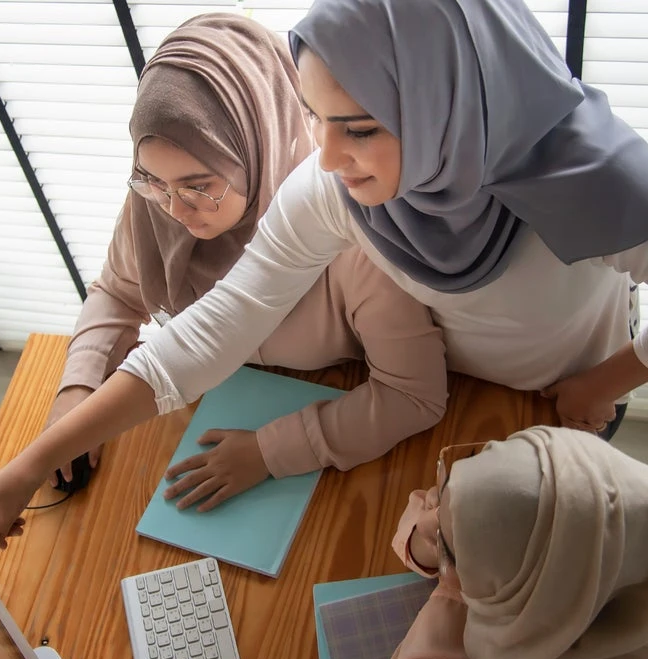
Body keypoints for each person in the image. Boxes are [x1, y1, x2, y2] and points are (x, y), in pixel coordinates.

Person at [0, 0, 648, 553]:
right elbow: (213, 330)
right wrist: (31, 462)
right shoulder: (339, 190)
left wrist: (603, 383)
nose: (325, 157)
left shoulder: (594, 184)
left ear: (445, 104)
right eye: (313, 117)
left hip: (558, 395)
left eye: (360, 127)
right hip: (450, 384)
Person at [39, 13, 447, 513]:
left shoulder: (348, 227)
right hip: (203, 411)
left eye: (198, 186)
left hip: (336, 433)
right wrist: (78, 389)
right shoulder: (155, 208)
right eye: (153, 181)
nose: (175, 210)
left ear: (260, 142)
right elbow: (117, 292)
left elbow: (412, 395)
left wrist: (268, 452)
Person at [382, 427, 648, 659]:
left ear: (540, 592)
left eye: (451, 548)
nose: (428, 521)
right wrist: (453, 534)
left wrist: (452, 583)